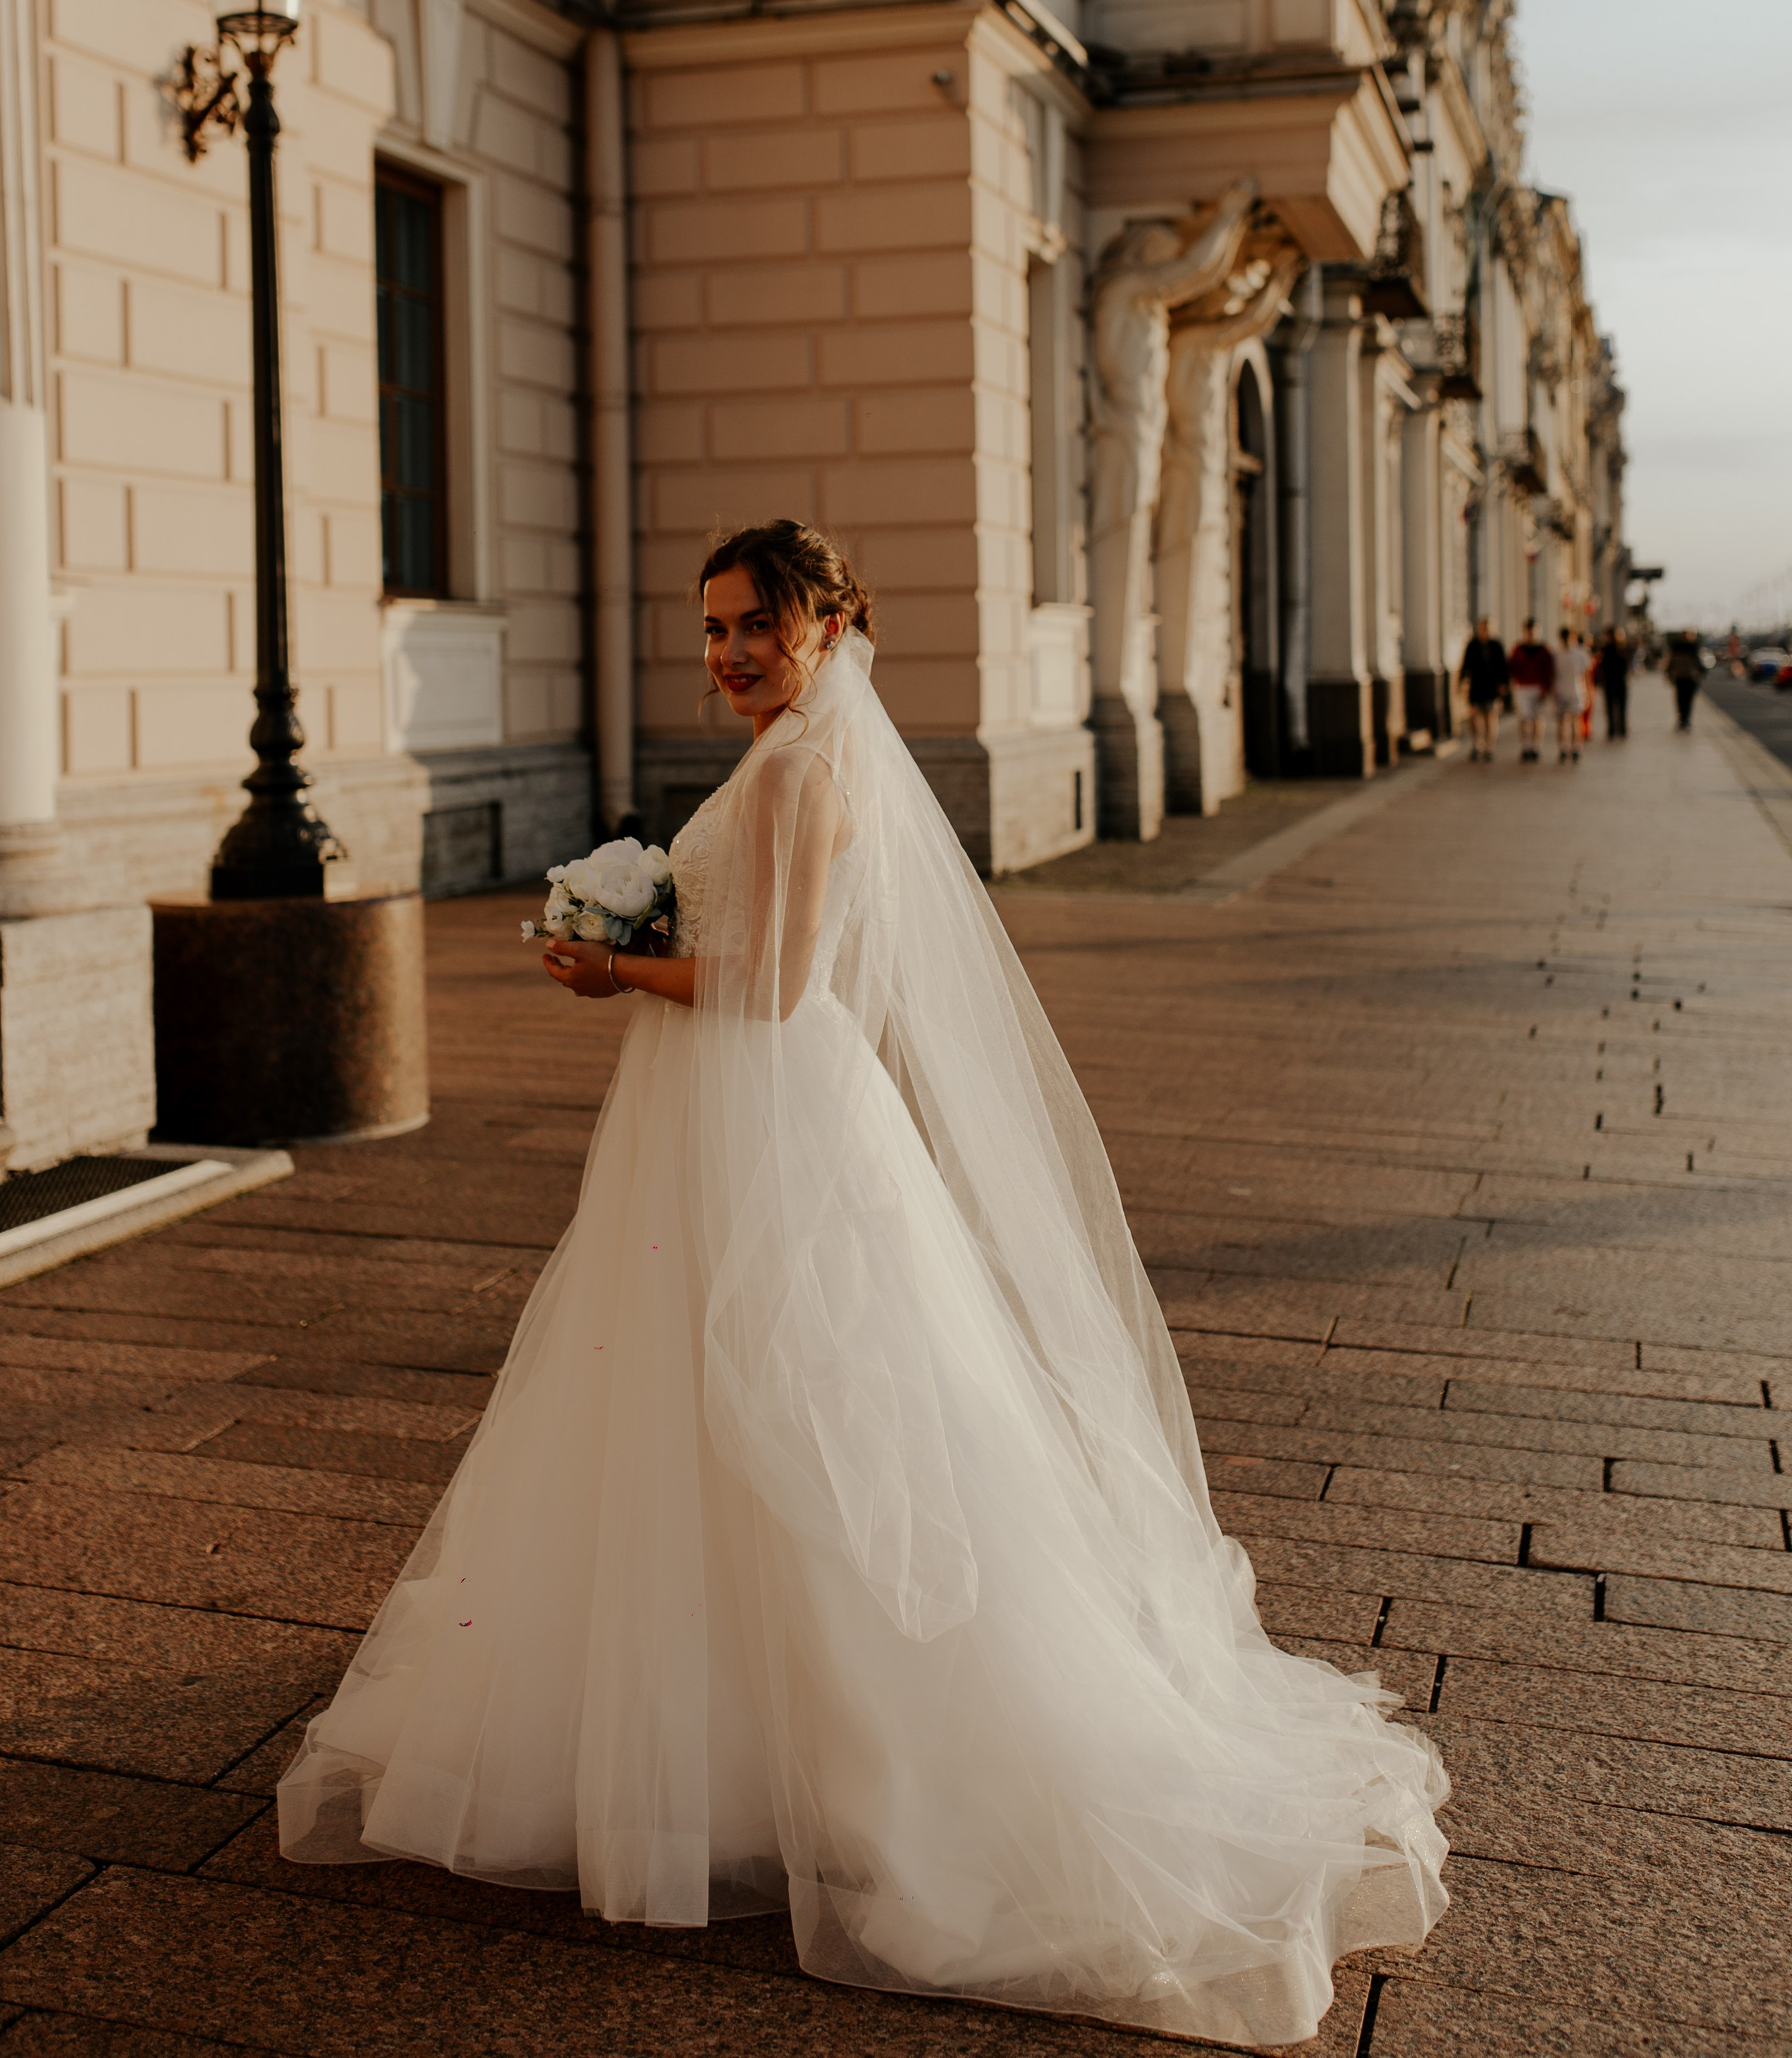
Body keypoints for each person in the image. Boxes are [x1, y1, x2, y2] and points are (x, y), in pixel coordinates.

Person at [277, 518, 1449, 2047]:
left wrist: (608, 967)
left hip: (762, 1115)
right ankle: (736, 1737)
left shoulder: (805, 770)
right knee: (723, 1398)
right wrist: (638, 936)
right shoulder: (793, 755)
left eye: (753, 624)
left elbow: (773, 989)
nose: (728, 653)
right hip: (725, 1116)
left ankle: (830, 1751)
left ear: (828, 625)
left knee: (798, 1399)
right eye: (710, 630)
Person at [1456, 615, 1509, 761]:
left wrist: (1503, 685)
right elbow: (1466, 665)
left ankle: (1489, 747)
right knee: (1474, 716)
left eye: (1488, 628)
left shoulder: (1497, 646)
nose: (1485, 631)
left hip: (1492, 688)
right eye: (1483, 628)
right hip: (1476, 687)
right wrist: (1462, 683)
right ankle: (1476, 744)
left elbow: (1503, 667)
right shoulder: (1472, 645)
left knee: (1491, 717)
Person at [1506, 618, 1555, 763]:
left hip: (1539, 688)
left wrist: (1546, 688)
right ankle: (1526, 746)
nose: (1531, 634)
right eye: (1529, 631)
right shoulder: (1519, 649)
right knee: (1524, 718)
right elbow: (1512, 667)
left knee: (1538, 719)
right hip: (1523, 687)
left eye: (1534, 631)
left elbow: (1549, 671)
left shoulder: (1544, 650)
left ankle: (1536, 747)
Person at [1552, 627, 1591, 764]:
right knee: (1562, 721)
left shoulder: (1580, 653)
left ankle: (1576, 747)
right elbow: (1553, 675)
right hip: (1561, 691)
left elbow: (1586, 674)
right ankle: (1563, 747)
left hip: (1576, 690)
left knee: (1576, 720)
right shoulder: (1556, 654)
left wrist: (1587, 691)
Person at [1595, 627, 1631, 739]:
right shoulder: (1614, 648)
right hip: (1615, 682)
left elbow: (1603, 666)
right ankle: (1618, 729)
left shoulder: (1618, 649)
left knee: (1615, 707)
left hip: (1614, 682)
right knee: (1617, 707)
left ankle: (1616, 729)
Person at [1666, 628, 1705, 730]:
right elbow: (1699, 664)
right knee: (1685, 700)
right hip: (1687, 677)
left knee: (1682, 699)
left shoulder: (1680, 648)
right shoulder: (1692, 648)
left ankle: (1684, 719)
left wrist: (1669, 673)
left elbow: (1671, 663)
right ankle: (1685, 719)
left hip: (1683, 677)